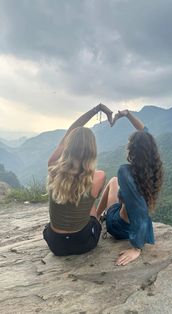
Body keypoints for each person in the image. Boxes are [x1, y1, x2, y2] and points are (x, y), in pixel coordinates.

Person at [43, 104, 112, 256]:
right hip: (84, 242)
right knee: (89, 200)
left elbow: (67, 135)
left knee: (82, 196)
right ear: (92, 151)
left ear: (68, 147)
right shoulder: (99, 176)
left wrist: (96, 109)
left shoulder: (53, 167)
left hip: (55, 244)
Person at [96, 110, 164, 265]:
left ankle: (95, 218)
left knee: (113, 180)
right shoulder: (153, 168)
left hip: (118, 226)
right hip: (129, 222)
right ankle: (96, 217)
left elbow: (139, 209)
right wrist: (127, 114)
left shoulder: (125, 172)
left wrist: (137, 247)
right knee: (114, 181)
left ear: (132, 151)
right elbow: (145, 133)